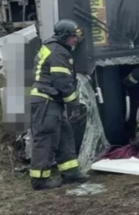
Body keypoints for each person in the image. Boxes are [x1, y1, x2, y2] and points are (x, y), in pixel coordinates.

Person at [29, 19, 89, 191]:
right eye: (72, 37)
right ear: (64, 37)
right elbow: (62, 82)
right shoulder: (59, 52)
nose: (75, 40)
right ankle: (39, 180)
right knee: (46, 138)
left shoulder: (54, 48)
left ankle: (70, 172)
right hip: (46, 101)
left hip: (50, 101)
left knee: (64, 135)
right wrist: (74, 105)